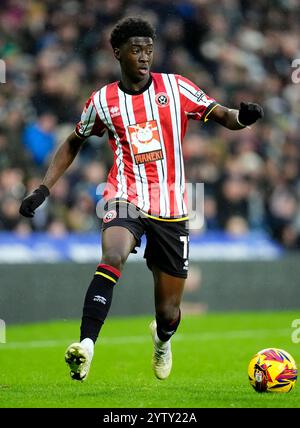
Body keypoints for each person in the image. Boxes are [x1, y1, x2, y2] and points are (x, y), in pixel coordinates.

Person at [19, 17, 263, 382]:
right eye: (136, 50)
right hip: (124, 196)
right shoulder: (103, 101)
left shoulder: (176, 88)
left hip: (171, 207)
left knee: (168, 312)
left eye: (149, 49)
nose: (144, 56)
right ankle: (86, 345)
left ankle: (162, 341)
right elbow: (74, 140)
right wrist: (44, 188)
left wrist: (242, 117)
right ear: (118, 53)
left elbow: (221, 115)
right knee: (113, 254)